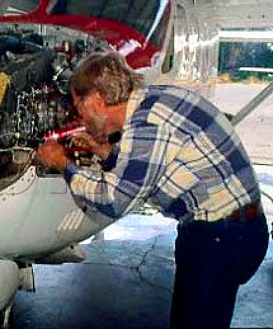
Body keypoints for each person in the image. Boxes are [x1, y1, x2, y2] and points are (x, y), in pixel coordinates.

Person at [37, 51, 270, 329]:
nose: (80, 118)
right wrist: (105, 152)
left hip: (221, 238)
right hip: (238, 230)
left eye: (79, 108)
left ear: (97, 100)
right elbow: (148, 167)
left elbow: (113, 200)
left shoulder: (148, 124)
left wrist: (62, 163)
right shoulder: (154, 102)